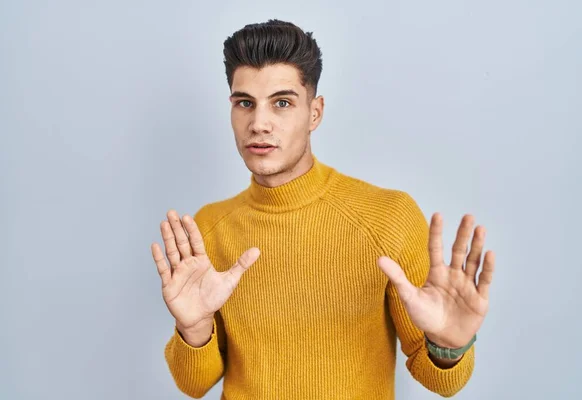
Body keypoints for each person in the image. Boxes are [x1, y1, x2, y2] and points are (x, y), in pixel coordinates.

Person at [150, 19, 495, 399]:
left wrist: (448, 345)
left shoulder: (386, 217)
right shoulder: (208, 228)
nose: (259, 123)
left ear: (315, 113)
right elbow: (193, 384)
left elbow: (443, 382)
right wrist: (194, 329)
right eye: (244, 103)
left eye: (282, 103)